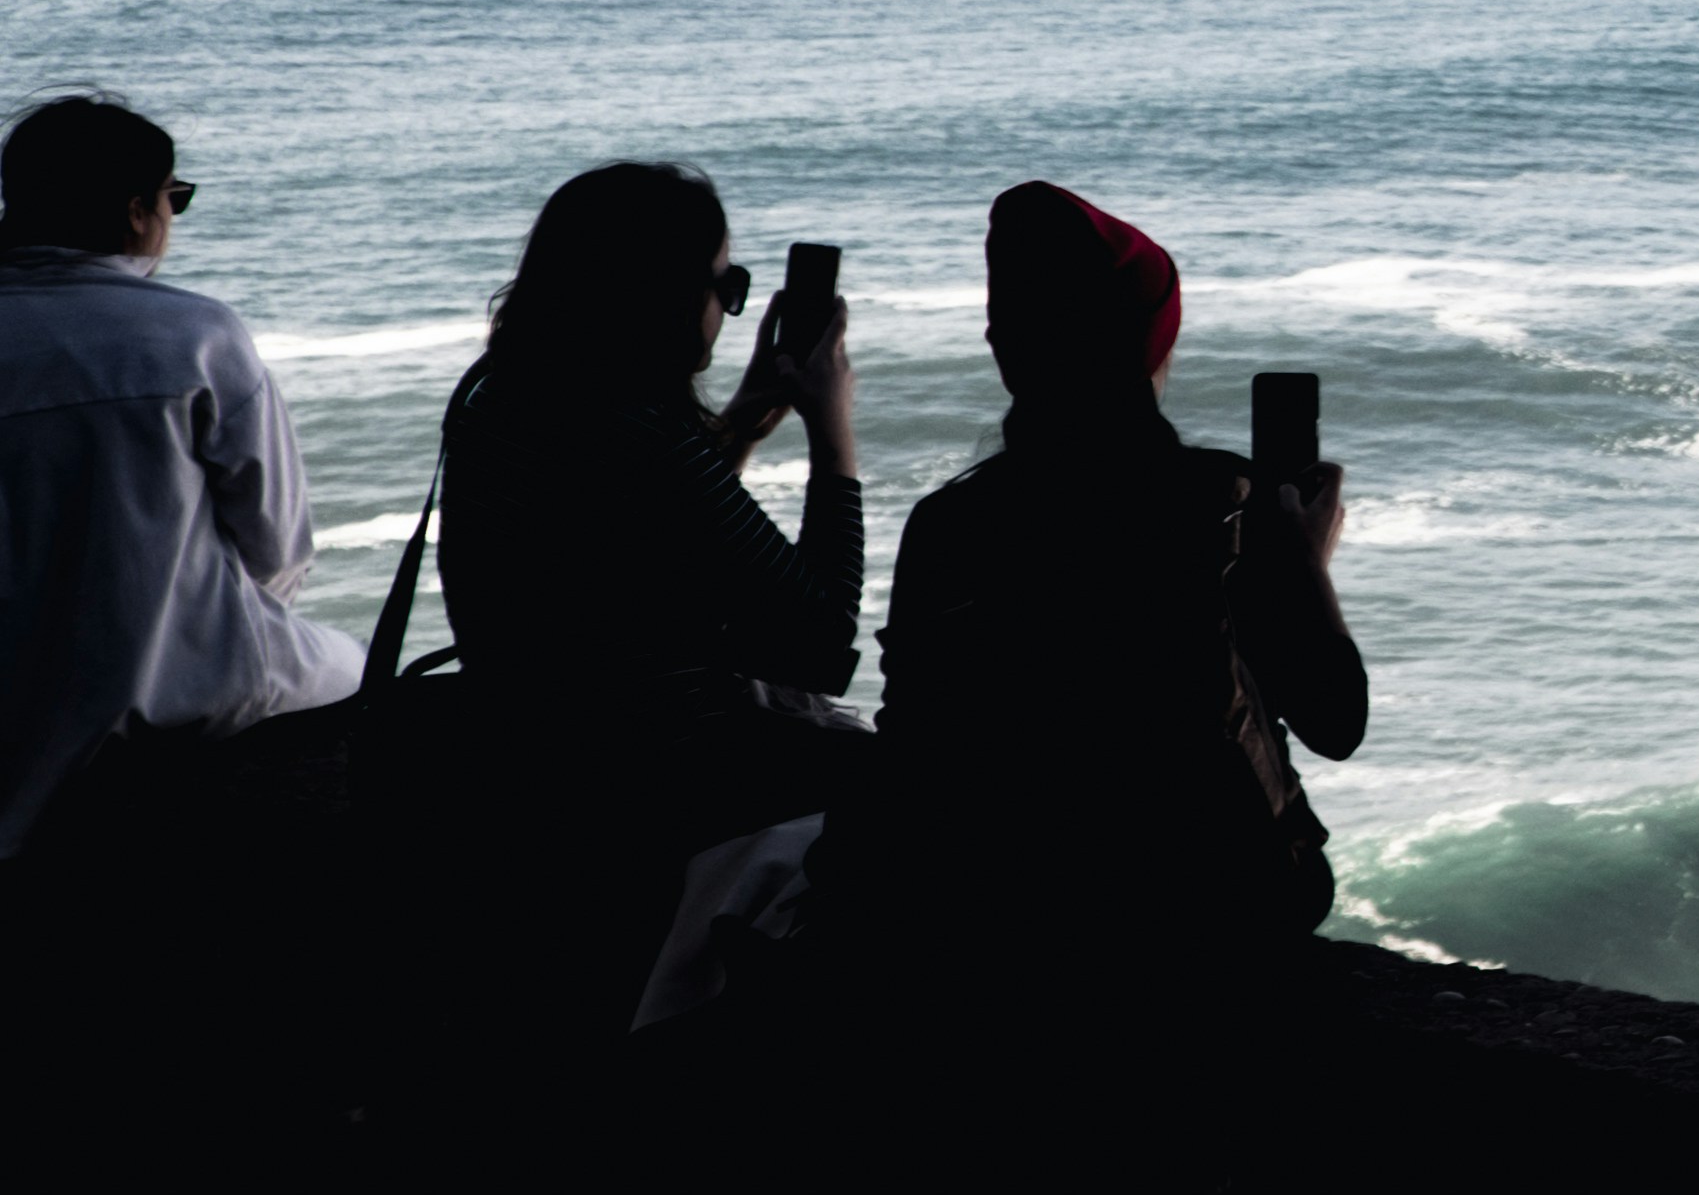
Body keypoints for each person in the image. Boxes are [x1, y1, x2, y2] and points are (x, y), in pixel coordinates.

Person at [864, 183, 1366, 968]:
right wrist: (1304, 563)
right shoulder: (1218, 503)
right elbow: (1334, 722)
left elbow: (912, 739)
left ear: (1006, 351)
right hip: (1221, 900)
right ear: (1153, 345)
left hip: (1007, 903)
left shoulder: (950, 525)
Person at [0, 94, 360, 860]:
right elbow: (276, 547)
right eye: (176, 199)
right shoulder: (190, 333)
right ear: (137, 211)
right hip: (177, 686)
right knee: (359, 670)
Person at [437, 161, 863, 712]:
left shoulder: (497, 395)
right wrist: (833, 432)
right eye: (726, 284)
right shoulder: (638, 430)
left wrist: (742, 422)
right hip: (648, 763)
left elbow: (651, 531)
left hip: (523, 735)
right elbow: (823, 631)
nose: (728, 309)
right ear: (671, 296)